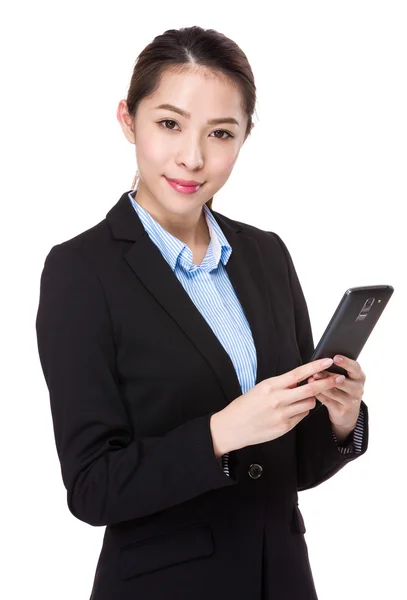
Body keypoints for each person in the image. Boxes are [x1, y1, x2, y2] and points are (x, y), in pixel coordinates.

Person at [35, 25, 368, 600]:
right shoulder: (80, 271)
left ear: (244, 138)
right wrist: (220, 434)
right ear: (127, 119)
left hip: (283, 579)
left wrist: (340, 418)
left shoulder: (266, 253)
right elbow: (91, 488)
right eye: (169, 124)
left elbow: (296, 469)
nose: (192, 157)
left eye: (220, 133)